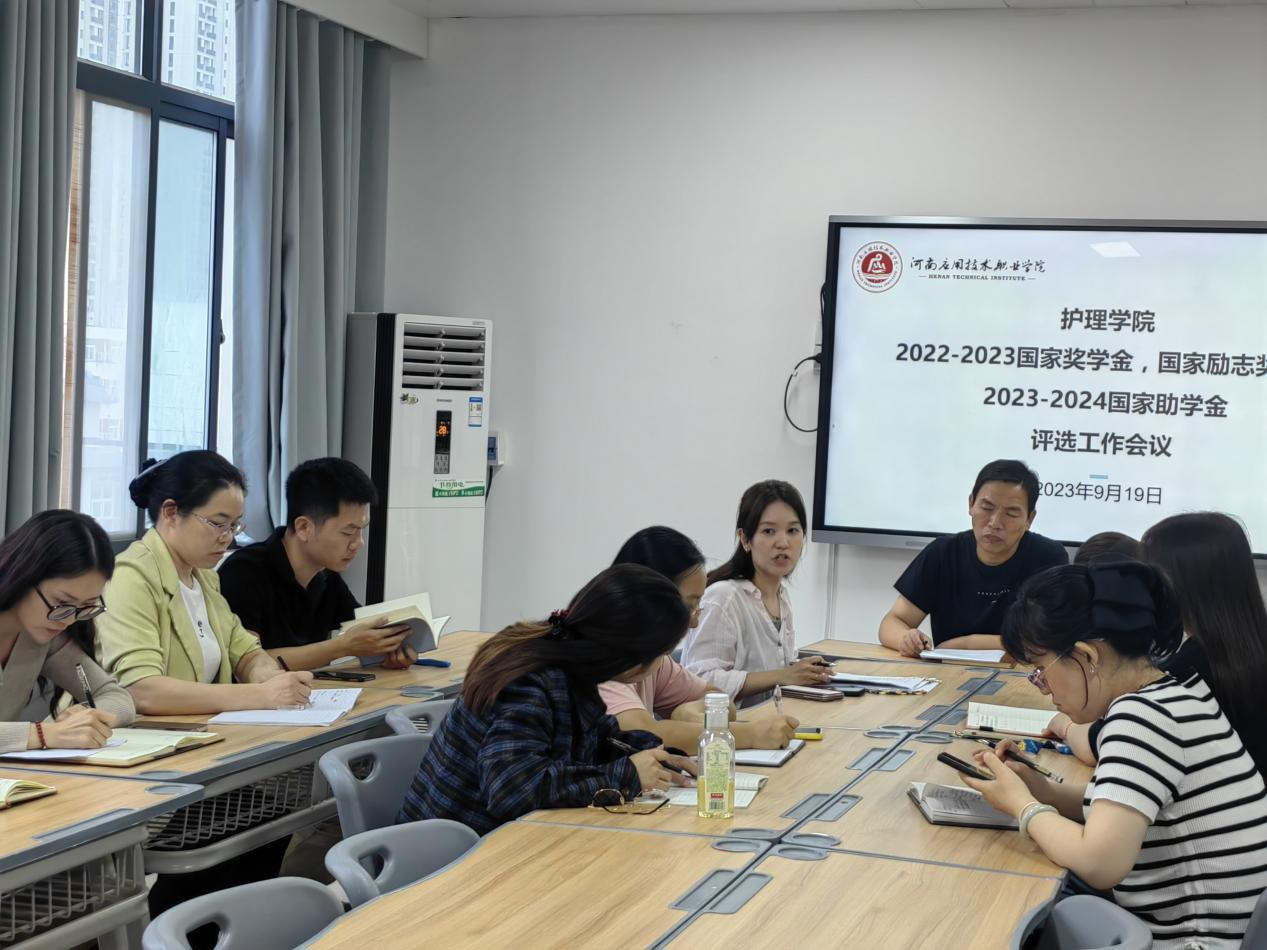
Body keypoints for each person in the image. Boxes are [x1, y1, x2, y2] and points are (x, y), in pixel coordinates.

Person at [961, 558, 1267, 949]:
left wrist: (1022, 806)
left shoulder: (1141, 718)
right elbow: (1129, 807)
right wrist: (1044, 792)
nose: (1043, 688)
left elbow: (1100, 862)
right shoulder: (1177, 693)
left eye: (1040, 670)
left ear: (1087, 656)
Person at [399, 565, 697, 835]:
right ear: (633, 659)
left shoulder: (565, 655)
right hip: (451, 855)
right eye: (662, 655)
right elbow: (512, 790)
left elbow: (591, 738)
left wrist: (655, 756)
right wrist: (625, 774)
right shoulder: (532, 679)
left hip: (496, 840)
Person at [96, 452, 315, 714]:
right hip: (138, 733)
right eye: (218, 523)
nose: (228, 537)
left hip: (197, 729)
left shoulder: (204, 577)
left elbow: (245, 652)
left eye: (234, 526)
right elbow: (142, 690)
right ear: (171, 513)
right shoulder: (130, 576)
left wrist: (267, 675)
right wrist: (261, 695)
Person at [1051, 515, 1267, 776]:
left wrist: (1064, 725)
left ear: (1178, 583)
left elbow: (1105, 743)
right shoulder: (1245, 643)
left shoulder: (1188, 669)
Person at [600, 527, 798, 750]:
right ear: (647, 598)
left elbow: (722, 701)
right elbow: (641, 734)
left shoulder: (654, 660)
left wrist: (690, 710)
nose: (694, 622)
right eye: (687, 607)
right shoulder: (600, 657)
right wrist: (750, 734)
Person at [218, 457, 413, 671]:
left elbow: (365, 628)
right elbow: (246, 663)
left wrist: (389, 648)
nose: (359, 543)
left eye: (362, 530)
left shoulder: (326, 575)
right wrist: (341, 647)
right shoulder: (244, 572)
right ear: (304, 528)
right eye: (348, 532)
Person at [878, 459, 1067, 657]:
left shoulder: (1047, 558)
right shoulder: (943, 553)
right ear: (971, 504)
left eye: (1011, 513)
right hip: (949, 671)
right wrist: (907, 639)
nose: (995, 523)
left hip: (1019, 672)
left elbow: (1046, 641)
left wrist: (964, 644)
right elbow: (893, 621)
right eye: (987, 508)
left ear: (1030, 519)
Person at [680, 481, 832, 700]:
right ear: (745, 538)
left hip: (770, 716)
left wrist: (803, 670)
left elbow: (775, 669)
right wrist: (783, 675)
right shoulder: (723, 597)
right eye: (769, 531)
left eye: (793, 531)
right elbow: (700, 680)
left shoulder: (781, 595)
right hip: (728, 721)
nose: (783, 543)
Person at [0, 510, 135, 752]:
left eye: (85, 606)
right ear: (23, 576)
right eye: (62, 603)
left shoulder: (43, 637)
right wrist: (43, 734)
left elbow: (117, 698)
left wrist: (85, 717)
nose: (70, 619)